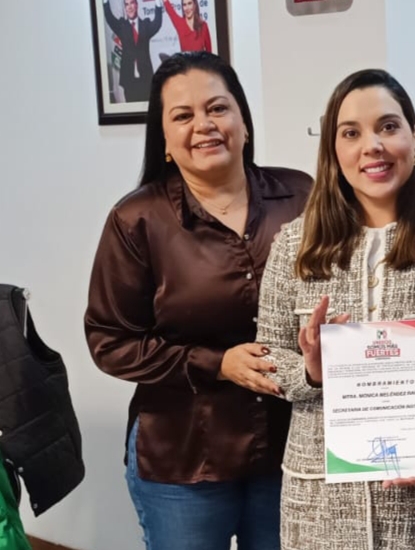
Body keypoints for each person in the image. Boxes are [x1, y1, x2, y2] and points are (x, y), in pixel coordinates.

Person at [257, 69, 415, 550]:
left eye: (388, 126)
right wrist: (311, 372)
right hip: (322, 500)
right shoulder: (293, 246)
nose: (372, 146)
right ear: (333, 151)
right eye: (351, 133)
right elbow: (270, 354)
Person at [85, 51, 311, 550]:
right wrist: (217, 364)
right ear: (165, 141)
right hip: (184, 460)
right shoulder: (137, 220)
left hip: (292, 449)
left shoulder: (301, 196)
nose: (204, 125)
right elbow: (109, 342)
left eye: (217, 108)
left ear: (243, 121)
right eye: (183, 116)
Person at [103, 0, 163, 102]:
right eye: (126, 5)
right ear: (125, 8)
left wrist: (158, 3)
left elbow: (157, 23)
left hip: (145, 79)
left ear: (136, 5)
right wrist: (105, 2)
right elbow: (109, 17)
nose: (129, 7)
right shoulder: (122, 26)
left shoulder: (145, 25)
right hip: (129, 80)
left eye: (132, 3)